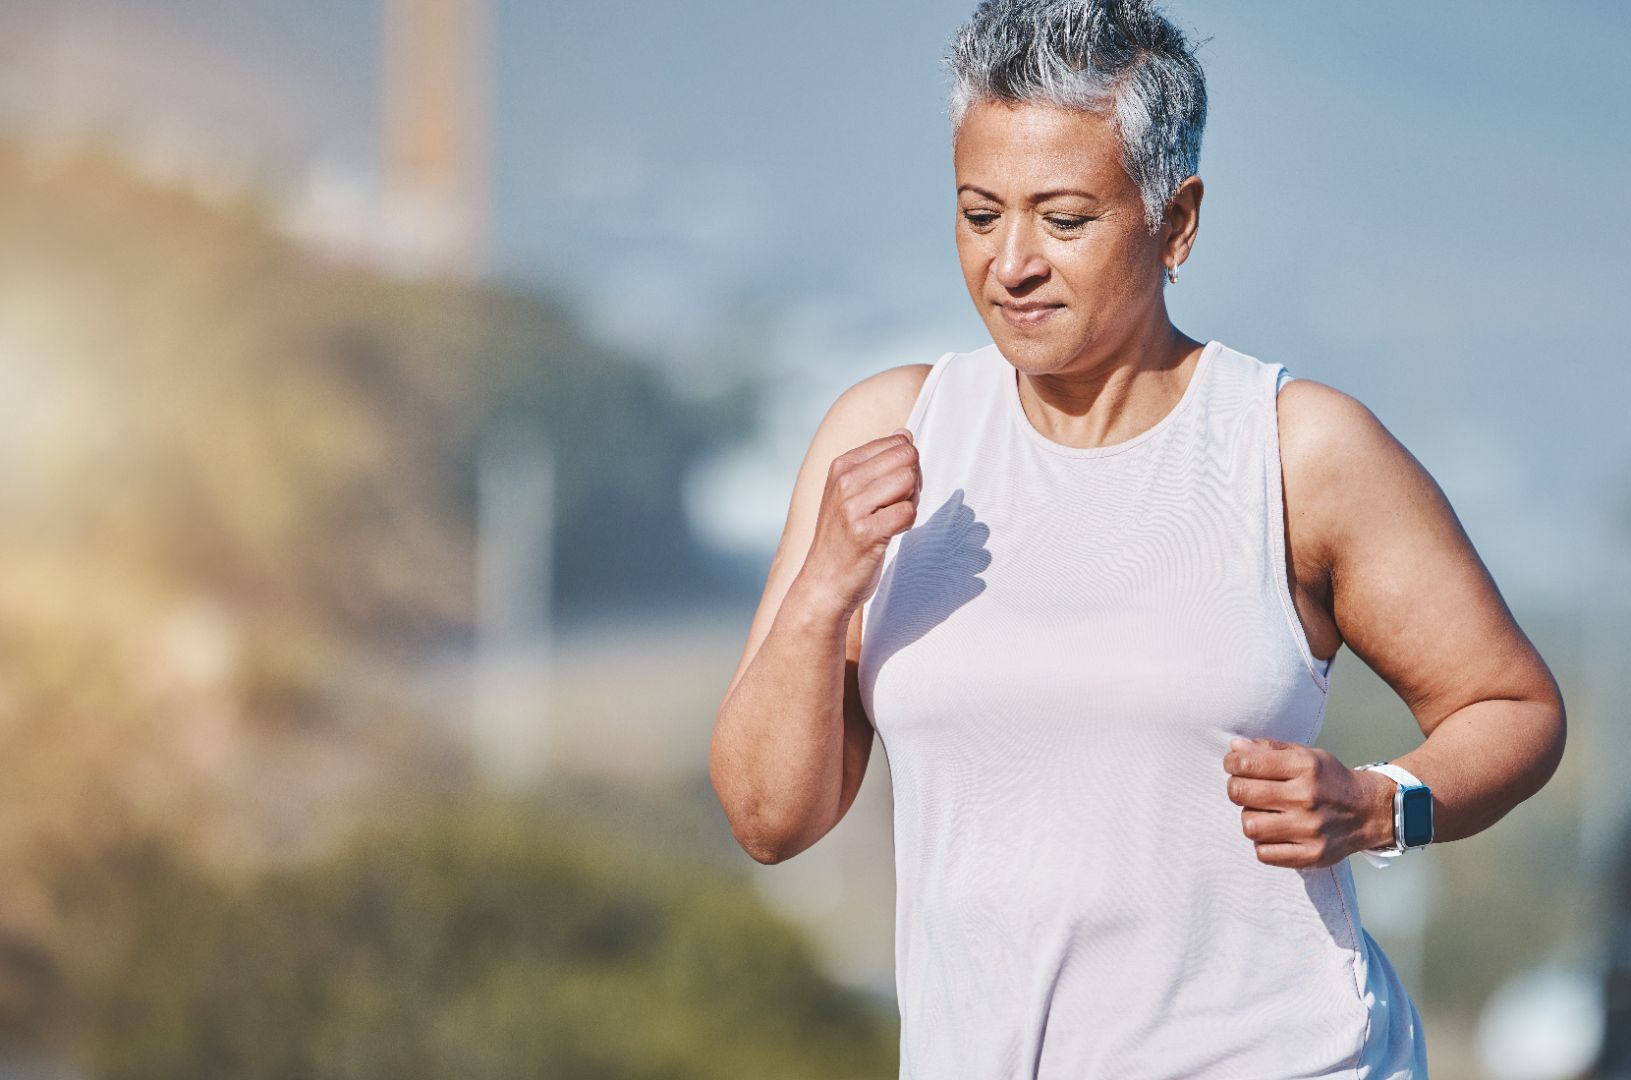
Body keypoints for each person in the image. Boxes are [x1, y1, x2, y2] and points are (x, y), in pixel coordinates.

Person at [708, 1, 1567, 1076]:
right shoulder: (889, 435)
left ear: (1177, 221)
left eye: (1063, 220)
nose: (1010, 262)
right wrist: (824, 586)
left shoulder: (1294, 449)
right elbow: (768, 819)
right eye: (979, 214)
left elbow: (1513, 709)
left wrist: (1379, 806)